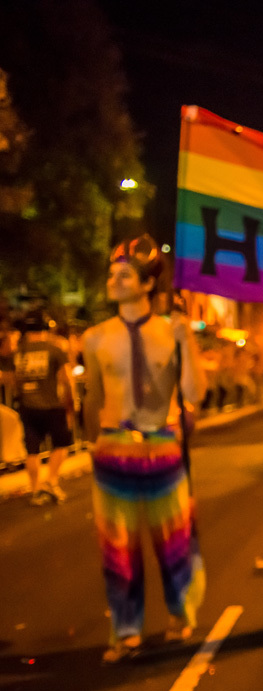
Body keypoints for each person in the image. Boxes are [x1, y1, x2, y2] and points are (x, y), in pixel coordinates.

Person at [82, 235, 208, 664]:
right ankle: (127, 629)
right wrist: (91, 445)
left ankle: (181, 615)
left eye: (124, 275)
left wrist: (186, 340)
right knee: (116, 551)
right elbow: (93, 400)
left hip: (162, 447)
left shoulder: (170, 331)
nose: (113, 281)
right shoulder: (95, 338)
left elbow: (195, 391)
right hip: (114, 451)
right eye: (111, 273)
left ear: (147, 284)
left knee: (174, 544)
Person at [12, 310, 76, 504]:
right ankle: (51, 480)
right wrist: (72, 403)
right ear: (46, 329)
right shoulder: (54, 349)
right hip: (51, 406)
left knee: (32, 451)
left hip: (27, 407)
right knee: (62, 444)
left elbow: (17, 379)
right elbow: (67, 379)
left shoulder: (20, 351)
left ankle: (35, 490)